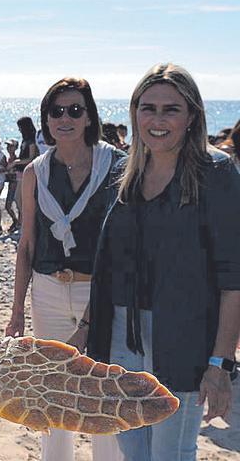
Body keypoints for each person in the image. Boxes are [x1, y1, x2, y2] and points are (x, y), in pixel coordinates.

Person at [84, 63, 240, 461]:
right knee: (134, 450)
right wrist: (87, 330)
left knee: (171, 453)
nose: (157, 120)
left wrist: (219, 364)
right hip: (120, 334)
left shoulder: (215, 172)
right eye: (147, 107)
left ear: (192, 116)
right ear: (134, 112)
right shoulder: (125, 173)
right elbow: (109, 267)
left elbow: (232, 278)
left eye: (171, 109)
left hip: (184, 339)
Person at [4, 77, 124, 461]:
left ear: (89, 116)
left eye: (75, 110)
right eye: (56, 111)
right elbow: (27, 244)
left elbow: (122, 249)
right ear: (46, 119)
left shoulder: (117, 166)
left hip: (101, 292)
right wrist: (17, 308)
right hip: (48, 290)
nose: (65, 118)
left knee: (104, 392)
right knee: (53, 392)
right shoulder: (34, 173)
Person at [13, 116, 41, 229]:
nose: (19, 129)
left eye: (20, 127)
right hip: (20, 171)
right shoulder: (25, 140)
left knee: (20, 198)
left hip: (27, 171)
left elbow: (31, 158)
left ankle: (28, 222)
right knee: (18, 198)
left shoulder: (32, 141)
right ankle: (25, 222)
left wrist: (16, 162)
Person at [4, 139, 20, 232]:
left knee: (17, 205)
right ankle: (16, 221)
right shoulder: (9, 159)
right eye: (8, 146)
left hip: (15, 184)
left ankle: (18, 222)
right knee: (8, 206)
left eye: (11, 146)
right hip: (11, 184)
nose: (9, 148)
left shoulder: (17, 160)